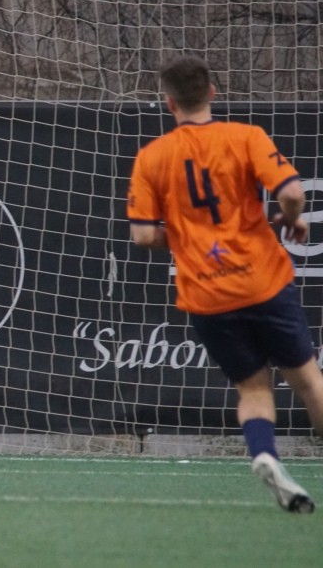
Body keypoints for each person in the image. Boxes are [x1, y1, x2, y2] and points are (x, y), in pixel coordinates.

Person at [127, 55, 323, 513]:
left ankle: (264, 454)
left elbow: (142, 236)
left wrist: (186, 236)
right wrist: (292, 220)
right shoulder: (245, 137)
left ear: (169, 102)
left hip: (206, 293)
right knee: (308, 381)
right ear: (212, 93)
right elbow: (292, 193)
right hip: (262, 281)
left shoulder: (152, 157)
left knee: (252, 389)